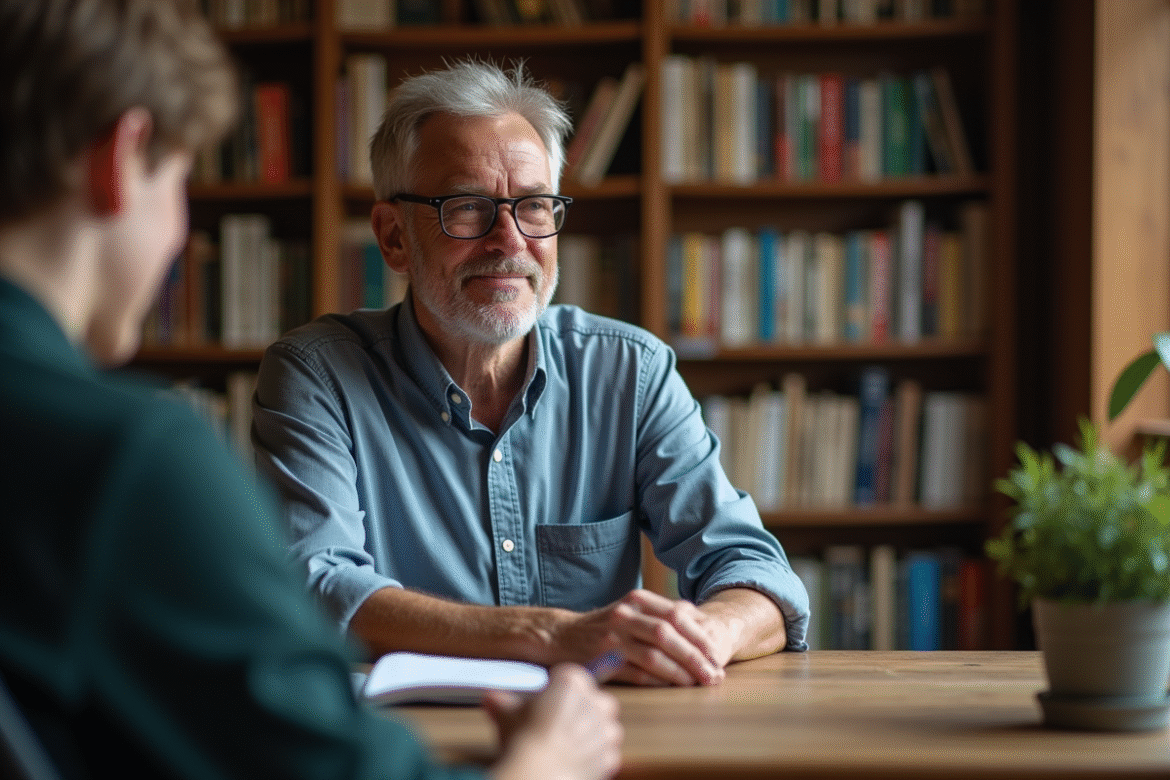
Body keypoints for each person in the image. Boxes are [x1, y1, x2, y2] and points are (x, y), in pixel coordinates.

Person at [0, 3, 621, 780]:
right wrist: (550, 758)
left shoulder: (626, 367)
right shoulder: (128, 460)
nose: (177, 232)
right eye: (181, 176)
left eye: (533, 208)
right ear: (122, 160)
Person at [252, 59, 811, 688]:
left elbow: (754, 570)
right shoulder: (317, 376)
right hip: (403, 746)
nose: (510, 241)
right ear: (394, 237)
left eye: (535, 206)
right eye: (467, 208)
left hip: (596, 738)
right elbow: (315, 584)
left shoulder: (630, 371)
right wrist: (550, 636)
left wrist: (701, 635)